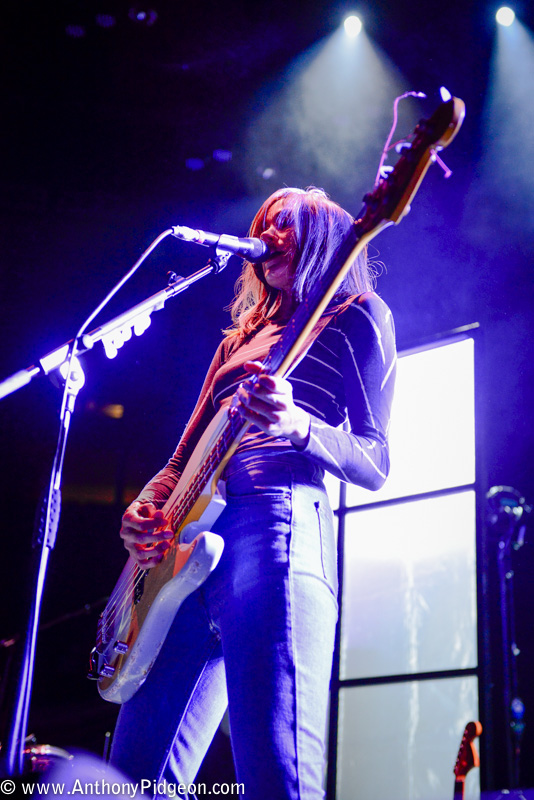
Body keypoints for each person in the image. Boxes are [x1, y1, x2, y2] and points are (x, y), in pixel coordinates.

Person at [110, 187, 397, 799]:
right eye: (260, 223)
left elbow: (376, 458)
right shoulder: (234, 342)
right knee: (133, 776)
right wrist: (146, 511)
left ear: (323, 234)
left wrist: (300, 427)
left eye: (283, 223)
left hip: (277, 530)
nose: (266, 232)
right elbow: (184, 457)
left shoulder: (358, 315)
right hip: (184, 551)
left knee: (276, 770)